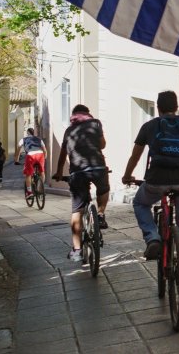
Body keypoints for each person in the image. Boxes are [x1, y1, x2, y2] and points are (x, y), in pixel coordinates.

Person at [121, 91, 179, 296]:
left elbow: (136, 155)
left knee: (140, 203)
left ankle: (153, 238)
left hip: (157, 180)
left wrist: (127, 175)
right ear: (176, 107)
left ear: (158, 108)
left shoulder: (149, 126)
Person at [52, 104, 110, 262]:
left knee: (77, 211)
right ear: (88, 114)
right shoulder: (95, 123)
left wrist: (59, 172)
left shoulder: (69, 131)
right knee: (103, 189)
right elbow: (102, 144)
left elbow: (63, 155)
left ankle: (77, 250)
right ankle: (100, 214)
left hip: (77, 172)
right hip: (97, 167)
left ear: (73, 116)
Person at [15, 128, 47, 196]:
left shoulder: (23, 139)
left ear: (27, 133)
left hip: (30, 155)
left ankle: (29, 192)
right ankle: (39, 188)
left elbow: (18, 150)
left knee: (28, 174)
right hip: (40, 154)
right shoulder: (39, 139)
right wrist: (44, 158)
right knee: (42, 172)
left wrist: (16, 160)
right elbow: (45, 150)